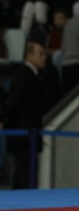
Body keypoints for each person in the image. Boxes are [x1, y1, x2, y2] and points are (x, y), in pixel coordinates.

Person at [5, 41, 47, 189]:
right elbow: (15, 103)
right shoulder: (25, 75)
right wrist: (5, 121)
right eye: (40, 54)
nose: (44, 57)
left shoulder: (31, 75)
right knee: (27, 177)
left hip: (27, 135)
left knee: (21, 177)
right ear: (29, 55)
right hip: (25, 136)